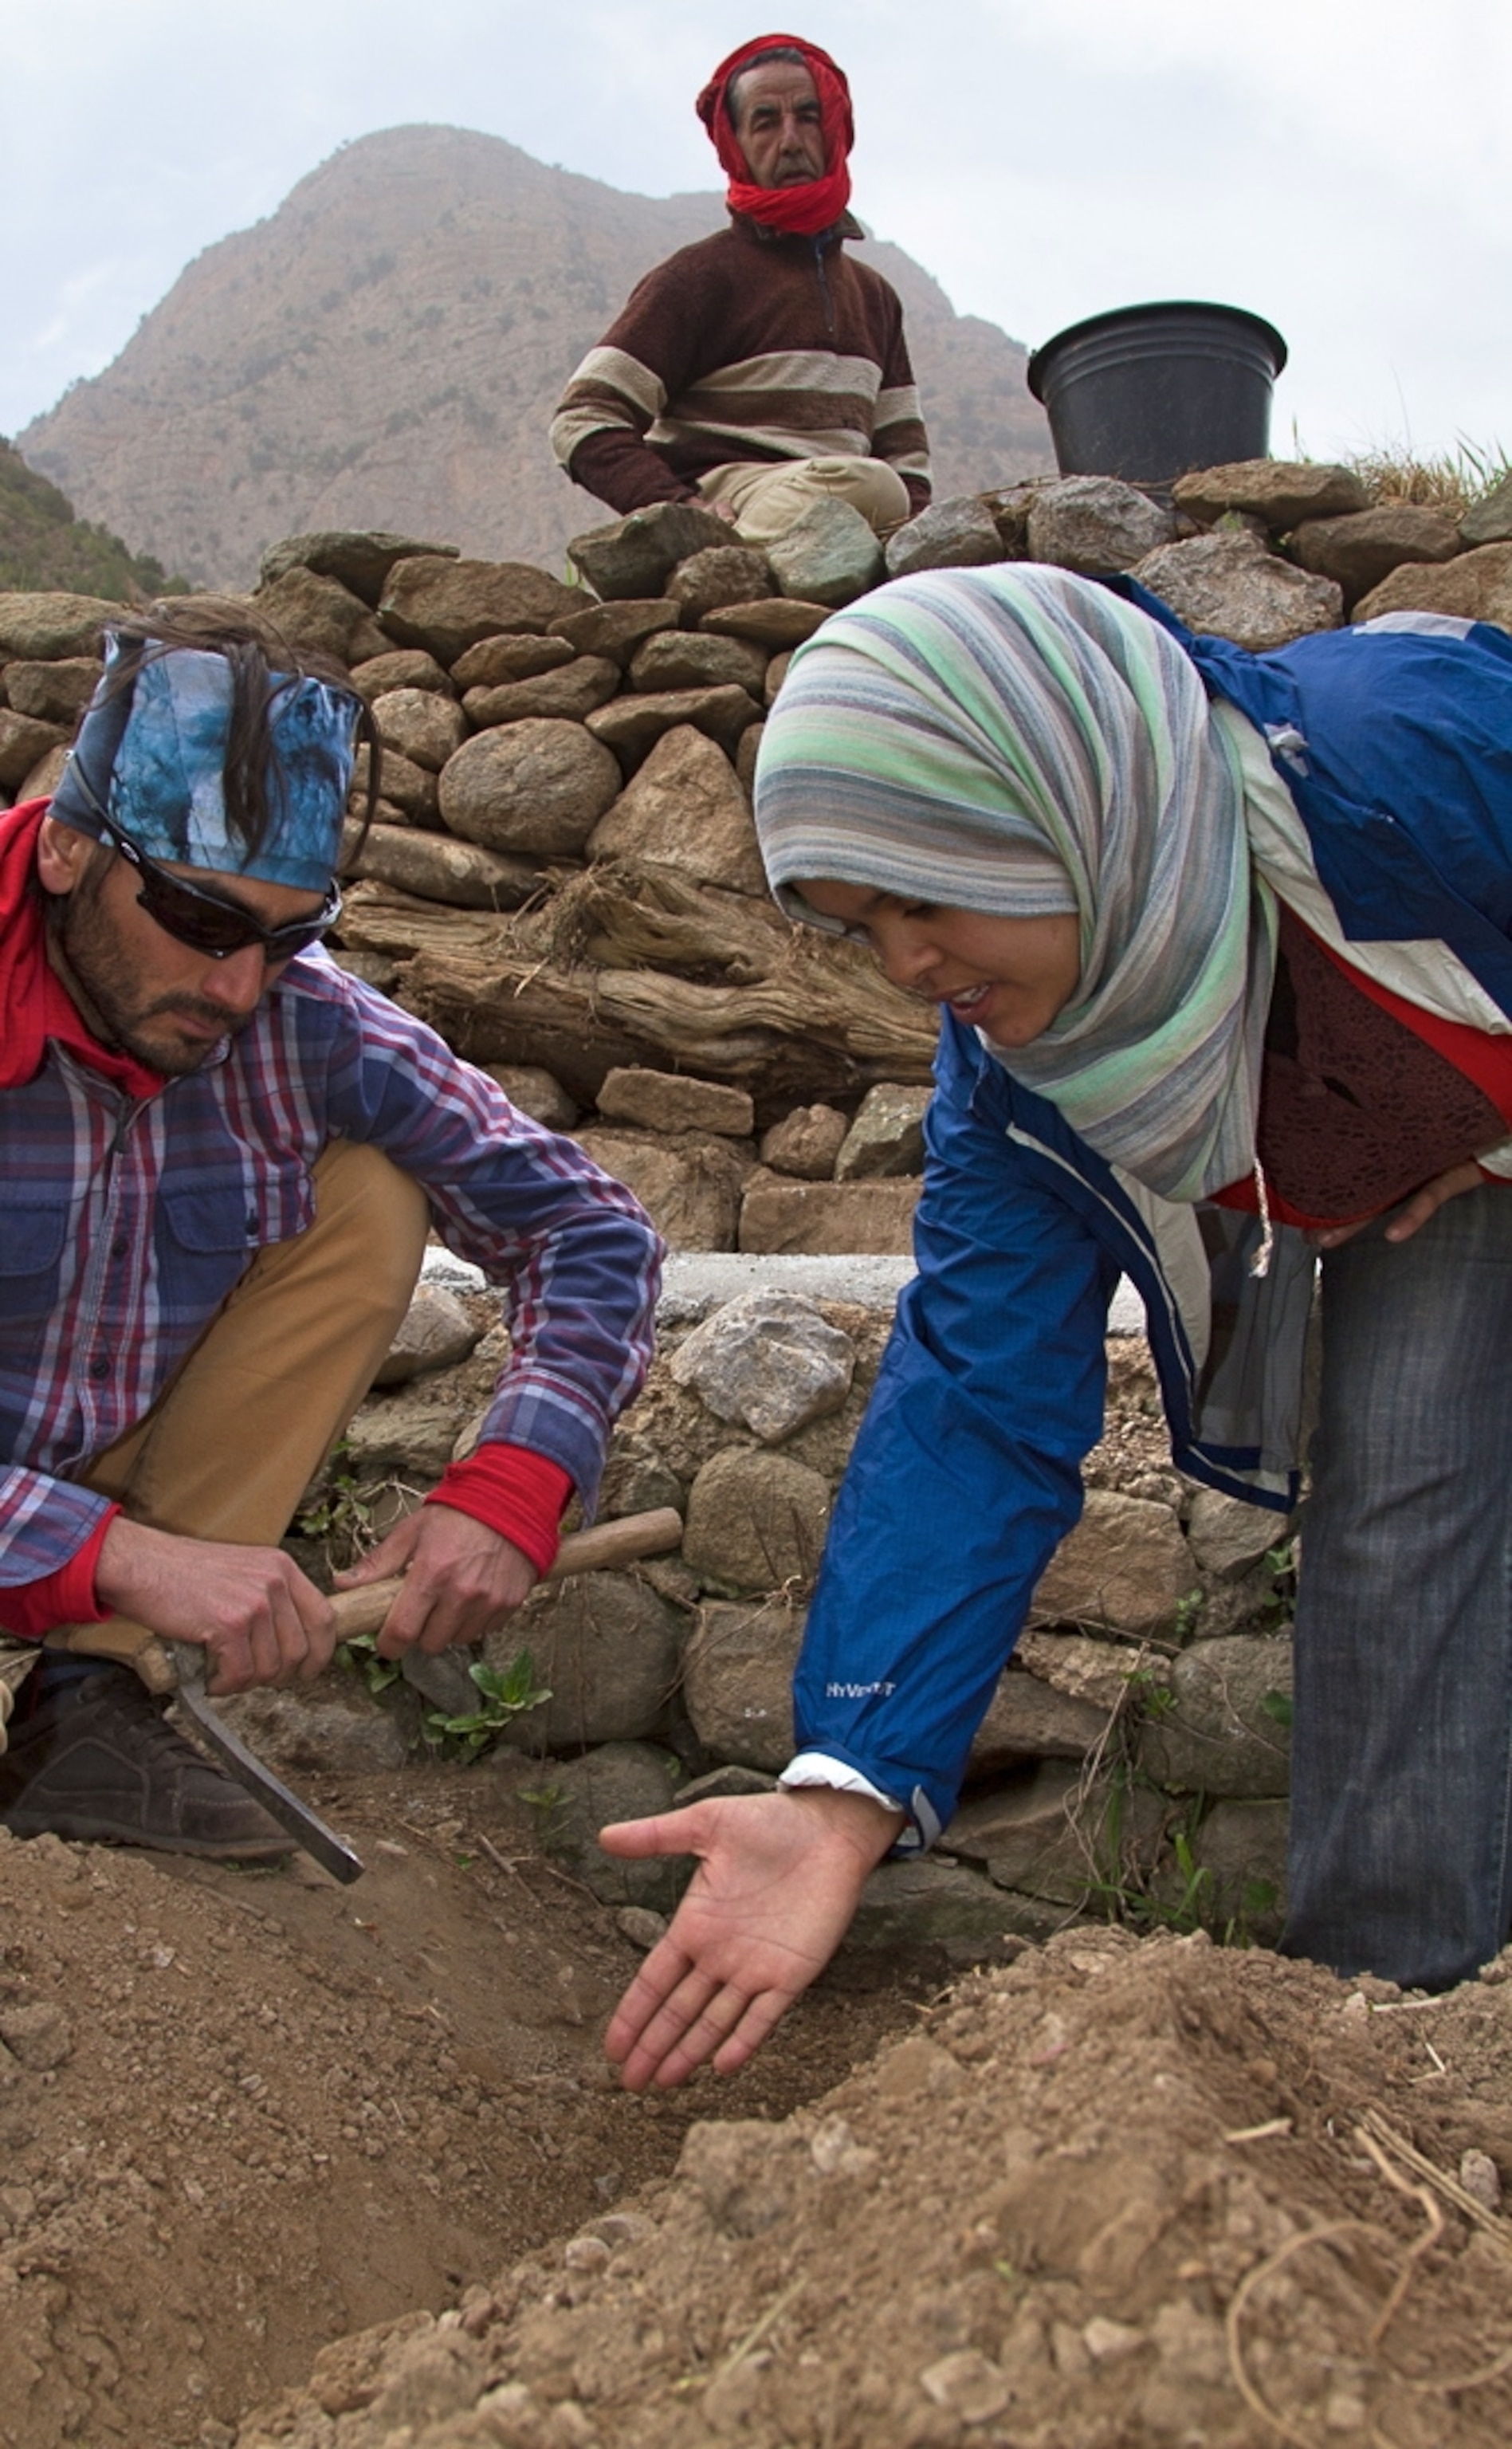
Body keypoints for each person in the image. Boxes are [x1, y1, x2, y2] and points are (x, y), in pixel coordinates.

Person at [599, 561, 1512, 2089]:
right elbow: (976, 1397)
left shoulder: (1401, 757)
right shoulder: (1019, 1082)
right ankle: (1400, 2050)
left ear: (1059, 801)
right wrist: (843, 1792)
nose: (904, 966)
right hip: (1431, 1178)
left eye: (923, 892)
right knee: (1403, 1482)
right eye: (856, 925)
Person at [0, 603, 661, 1858]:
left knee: (369, 1192)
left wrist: (515, 1482)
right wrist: (120, 1554)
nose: (237, 988)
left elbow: (589, 1227)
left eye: (288, 933)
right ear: (69, 852)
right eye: (201, 921)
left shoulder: (300, 1023)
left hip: (87, 1476)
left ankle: (91, 1713)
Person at [550, 32, 932, 543]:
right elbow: (582, 418)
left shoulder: (876, 298)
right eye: (766, 122)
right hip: (746, 496)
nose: (791, 140)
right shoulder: (700, 278)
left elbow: (905, 457)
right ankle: (733, 549)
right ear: (738, 147)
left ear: (835, 130)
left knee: (884, 492)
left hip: (850, 517)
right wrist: (680, 509)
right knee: (867, 483)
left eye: (808, 117)